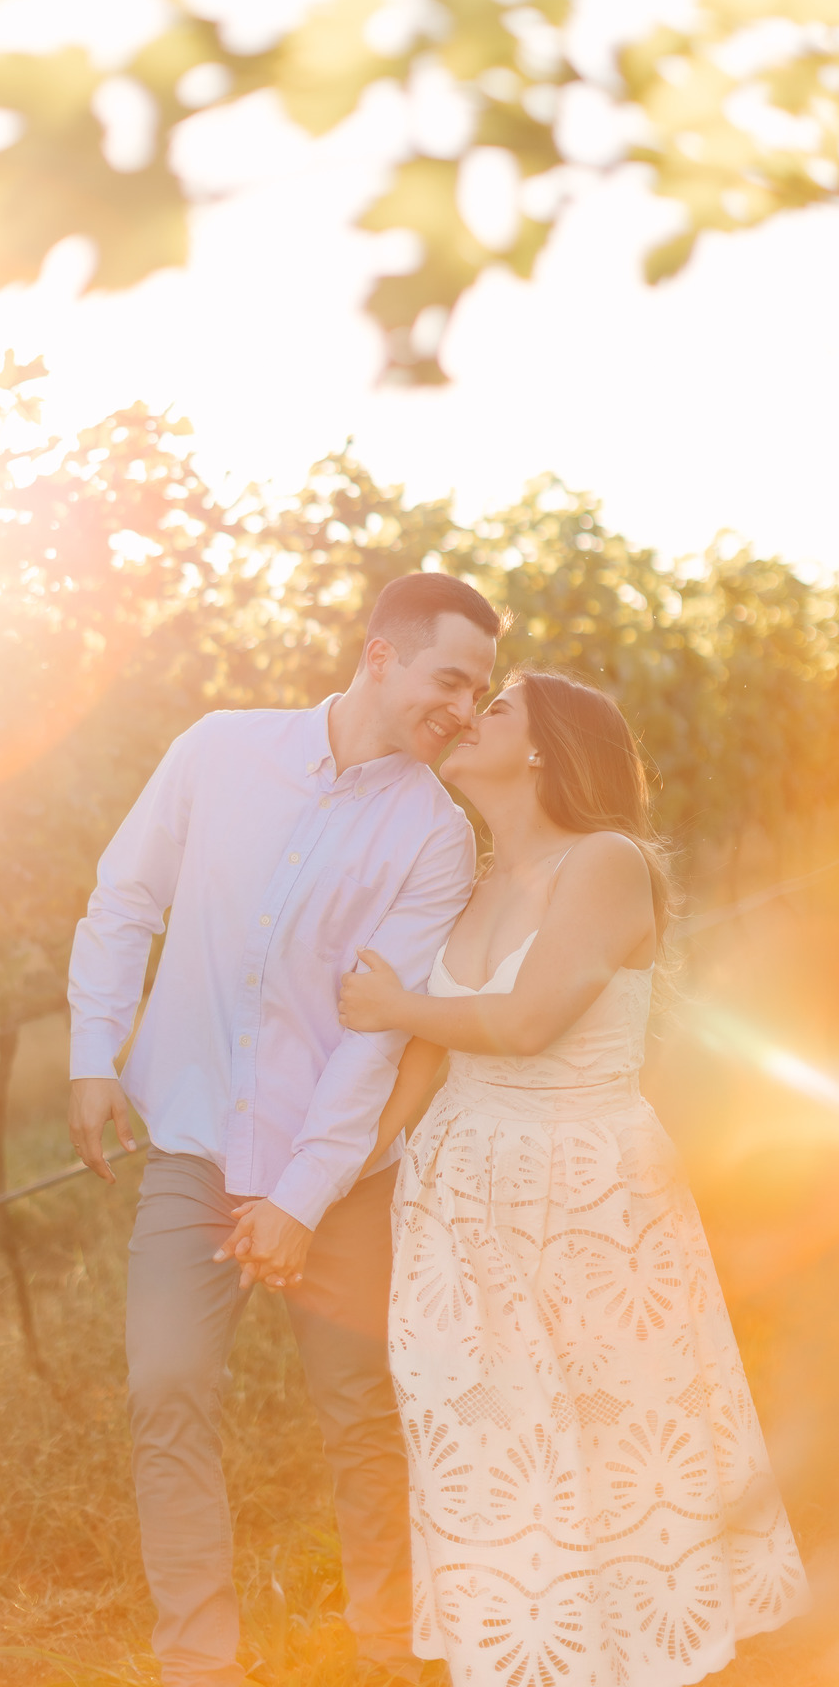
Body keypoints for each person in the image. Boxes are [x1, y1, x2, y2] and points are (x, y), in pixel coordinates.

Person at [66, 572, 501, 1687]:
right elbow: (126, 895)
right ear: (380, 657)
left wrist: (303, 1200)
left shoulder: (438, 840)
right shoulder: (218, 751)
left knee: (360, 1409)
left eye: (481, 692)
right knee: (165, 1388)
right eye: (451, 680)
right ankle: (200, 1663)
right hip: (196, 1146)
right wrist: (92, 1051)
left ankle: (388, 1642)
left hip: (345, 1172)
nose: (462, 709)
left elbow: (374, 1038)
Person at [339, 669, 810, 1686]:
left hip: (585, 1188)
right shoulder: (473, 879)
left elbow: (522, 1023)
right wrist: (333, 1172)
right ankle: (528, 1647)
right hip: (459, 1187)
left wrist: (391, 1008)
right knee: (485, 1428)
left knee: (615, 1427)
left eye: (494, 707)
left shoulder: (608, 862)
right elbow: (440, 1061)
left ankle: (644, 1651)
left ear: (548, 745)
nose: (467, 719)